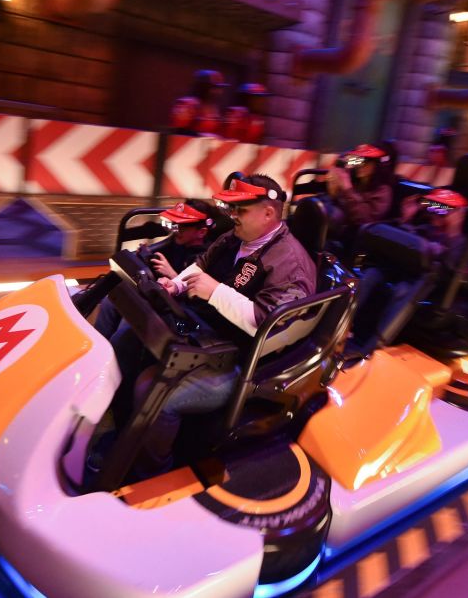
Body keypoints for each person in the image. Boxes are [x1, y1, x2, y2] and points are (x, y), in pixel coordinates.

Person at [113, 174, 317, 474]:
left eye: (241, 210)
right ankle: (120, 436)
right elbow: (202, 264)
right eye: (232, 209)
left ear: (269, 213)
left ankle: (150, 475)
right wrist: (177, 286)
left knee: (154, 391)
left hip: (243, 363)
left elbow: (269, 327)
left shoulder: (290, 263)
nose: (232, 216)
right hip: (206, 336)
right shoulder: (235, 237)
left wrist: (214, 292)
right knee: (128, 341)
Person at [94, 200, 218, 339]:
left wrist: (172, 274)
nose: (174, 229)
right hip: (160, 299)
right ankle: (97, 344)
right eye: (173, 224)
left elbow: (197, 298)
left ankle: (115, 353)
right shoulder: (176, 243)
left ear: (201, 232)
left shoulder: (206, 258)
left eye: (181, 227)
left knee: (130, 320)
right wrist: (145, 256)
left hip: (184, 315)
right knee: (111, 300)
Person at [327, 143, 395, 227]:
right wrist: (334, 186)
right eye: (359, 161)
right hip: (339, 224)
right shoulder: (355, 180)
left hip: (356, 234)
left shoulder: (383, 191)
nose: (360, 166)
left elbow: (364, 220)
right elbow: (336, 200)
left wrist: (348, 188)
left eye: (365, 161)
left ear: (377, 165)